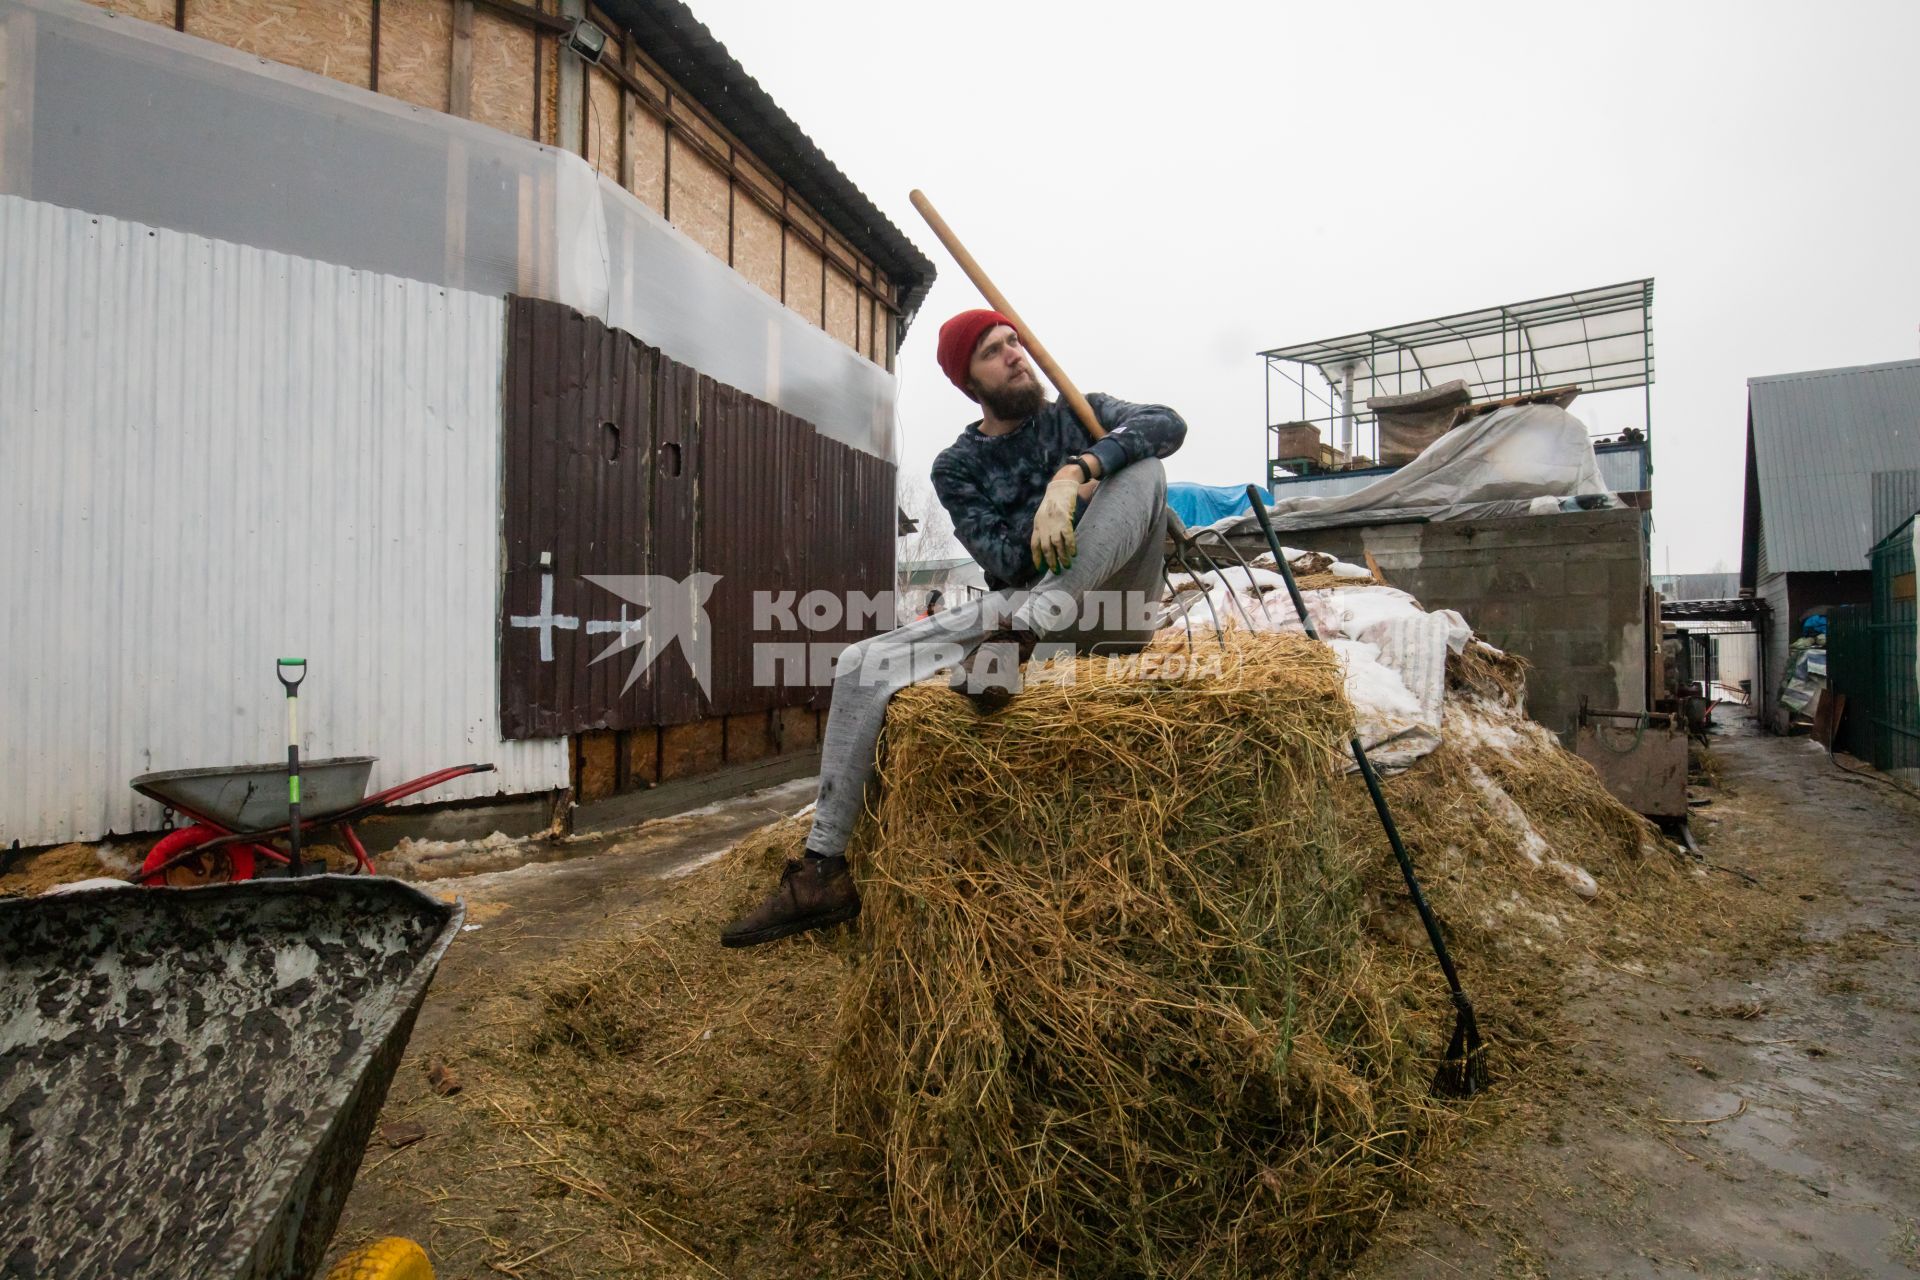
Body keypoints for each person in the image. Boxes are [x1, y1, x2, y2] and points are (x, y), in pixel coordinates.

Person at [719, 309, 1186, 948]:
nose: (1015, 355)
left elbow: (1169, 424)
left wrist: (1075, 476)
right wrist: (1045, 525)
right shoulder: (959, 464)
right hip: (1022, 617)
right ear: (970, 383)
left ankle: (1017, 638)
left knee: (1144, 465)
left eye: (1016, 341)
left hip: (1113, 611)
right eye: (994, 352)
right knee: (860, 664)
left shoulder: (1081, 412)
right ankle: (823, 870)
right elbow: (1001, 562)